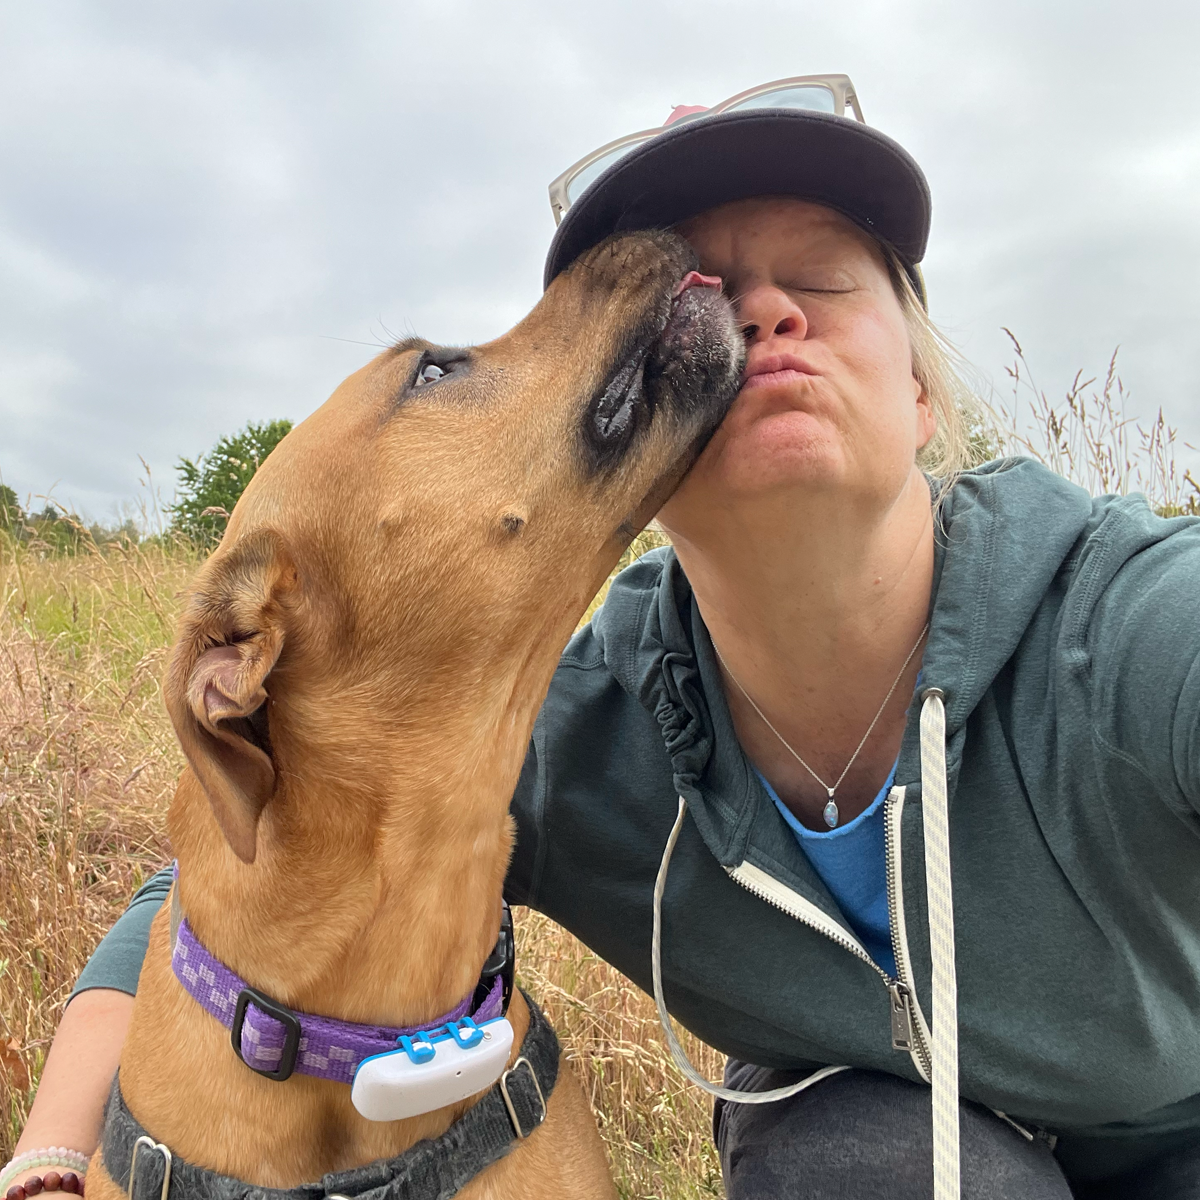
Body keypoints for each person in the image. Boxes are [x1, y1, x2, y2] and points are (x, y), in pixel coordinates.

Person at [8, 74, 1200, 1200]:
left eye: (824, 280)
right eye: (715, 296)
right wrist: (54, 1160)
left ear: (927, 393)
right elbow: (211, 891)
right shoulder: (570, 732)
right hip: (902, 1148)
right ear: (664, 456)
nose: (765, 309)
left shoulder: (1125, 629)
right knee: (852, 1154)